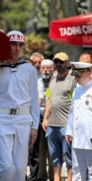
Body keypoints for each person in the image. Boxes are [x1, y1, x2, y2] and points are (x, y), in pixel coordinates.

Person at [0, 30, 39, 181]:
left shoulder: (29, 69)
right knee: (5, 166)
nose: (17, 48)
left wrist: (34, 126)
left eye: (20, 45)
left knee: (19, 168)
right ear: (7, 45)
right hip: (1, 118)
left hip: (23, 119)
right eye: (13, 44)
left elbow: (34, 98)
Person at [42, 52, 76, 181]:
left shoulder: (72, 79)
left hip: (66, 125)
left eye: (61, 62)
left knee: (68, 155)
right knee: (54, 155)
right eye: (56, 62)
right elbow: (49, 98)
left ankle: (69, 179)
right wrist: (45, 118)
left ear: (66, 63)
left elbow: (75, 100)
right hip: (51, 124)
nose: (58, 64)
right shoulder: (53, 77)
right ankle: (56, 179)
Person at [28, 59, 55, 181]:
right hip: (37, 120)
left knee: (53, 150)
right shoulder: (37, 82)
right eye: (43, 68)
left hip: (53, 119)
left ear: (53, 68)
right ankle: (39, 176)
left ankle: (53, 176)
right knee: (38, 150)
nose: (45, 70)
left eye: (48, 68)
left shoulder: (56, 81)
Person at [66, 62, 92, 180]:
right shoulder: (77, 90)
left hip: (90, 138)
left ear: (88, 72)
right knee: (77, 171)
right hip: (77, 139)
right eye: (75, 75)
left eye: (78, 76)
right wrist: (69, 130)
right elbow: (72, 112)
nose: (76, 79)